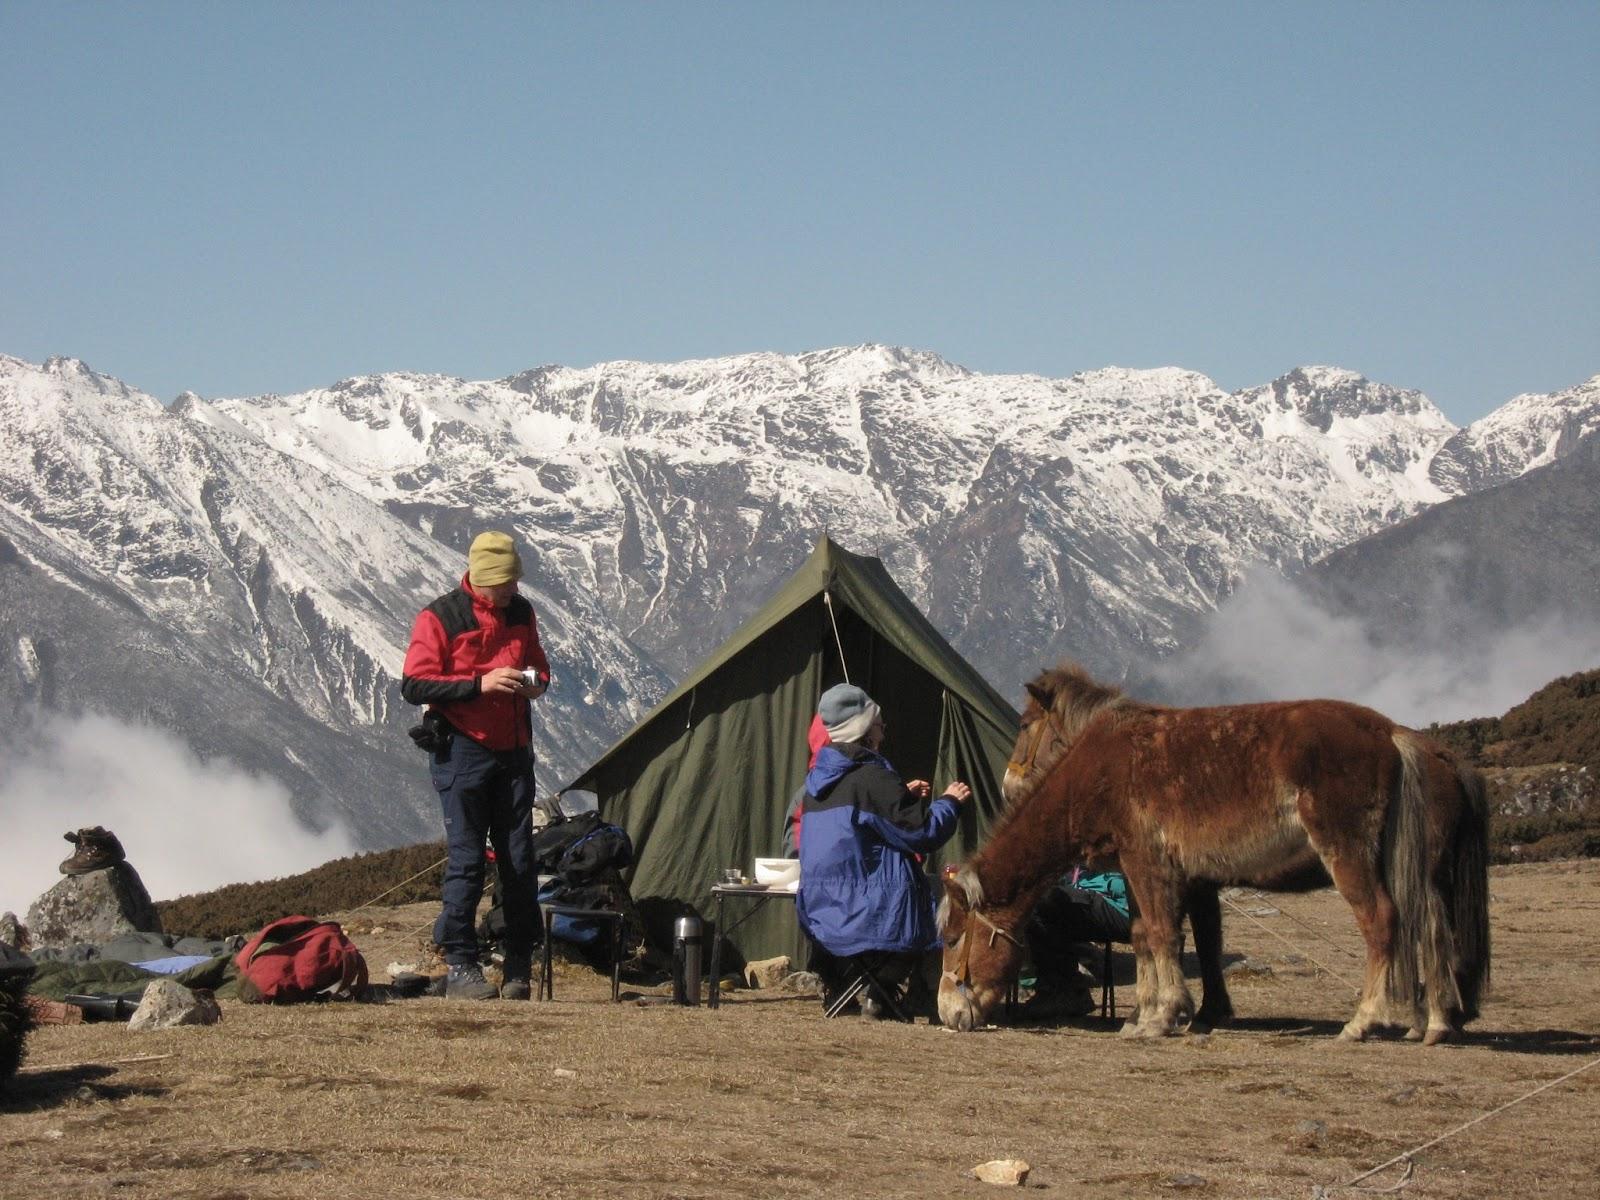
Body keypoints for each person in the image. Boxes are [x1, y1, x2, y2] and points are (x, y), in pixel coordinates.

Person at [401, 531, 550, 1000]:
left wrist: (533, 684)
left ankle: (519, 962)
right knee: (466, 859)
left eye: (514, 581)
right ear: (481, 581)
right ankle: (462, 964)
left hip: (514, 751)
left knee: (519, 859)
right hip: (462, 750)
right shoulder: (440, 617)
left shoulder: (521, 613)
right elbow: (415, 684)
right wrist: (478, 684)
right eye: (503, 583)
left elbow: (539, 668)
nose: (512, 590)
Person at [795, 683, 971, 1018]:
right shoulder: (872, 778)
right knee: (945, 897)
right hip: (871, 912)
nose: (883, 729)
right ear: (863, 730)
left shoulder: (815, 786)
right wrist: (950, 802)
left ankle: (870, 988)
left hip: (822, 913)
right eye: (878, 722)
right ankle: (909, 994)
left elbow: (860, 832)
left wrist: (899, 795)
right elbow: (923, 833)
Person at [1023, 867, 1132, 1018]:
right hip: (1084, 892)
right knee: (1038, 900)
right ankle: (1068, 990)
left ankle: (1064, 991)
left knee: (1045, 901)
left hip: (1121, 903)